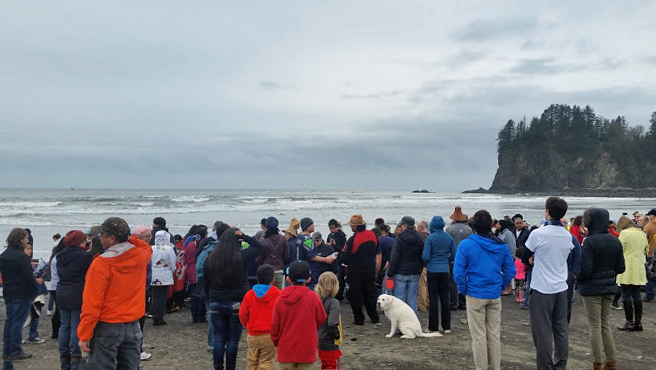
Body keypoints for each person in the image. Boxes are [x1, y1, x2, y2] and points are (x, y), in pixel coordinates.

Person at [77, 217, 152, 369]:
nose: (100, 239)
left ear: (111, 238)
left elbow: (92, 303)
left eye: (102, 236)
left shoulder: (101, 264)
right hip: (133, 324)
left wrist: (84, 334)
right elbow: (147, 248)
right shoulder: (140, 256)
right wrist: (128, 237)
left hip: (107, 326)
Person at [453, 210, 515, 370]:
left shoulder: (466, 245)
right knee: (494, 335)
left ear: (473, 227)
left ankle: (481, 367)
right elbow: (510, 270)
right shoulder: (501, 246)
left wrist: (463, 289)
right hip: (493, 294)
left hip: (475, 293)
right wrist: (501, 285)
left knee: (479, 336)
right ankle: (495, 367)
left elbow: (458, 272)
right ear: (491, 225)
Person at [522, 197, 575, 370]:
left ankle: (545, 367)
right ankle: (560, 365)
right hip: (561, 287)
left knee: (542, 331)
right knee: (561, 329)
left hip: (542, 288)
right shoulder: (568, 236)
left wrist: (531, 259)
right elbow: (574, 258)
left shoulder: (538, 233)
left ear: (547, 212)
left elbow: (525, 255)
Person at [203, 228, 263, 370]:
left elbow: (205, 283)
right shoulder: (241, 256)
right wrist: (245, 236)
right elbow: (260, 247)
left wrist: (210, 298)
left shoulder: (210, 258)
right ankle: (231, 367)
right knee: (233, 339)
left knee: (218, 338)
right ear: (237, 242)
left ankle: (218, 367)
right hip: (237, 302)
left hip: (216, 301)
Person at [577, 208, 625, 370]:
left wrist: (578, 278)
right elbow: (621, 267)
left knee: (595, 326)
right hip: (610, 288)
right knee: (605, 324)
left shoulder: (590, 241)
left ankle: (597, 363)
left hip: (591, 289)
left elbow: (586, 269)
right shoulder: (615, 240)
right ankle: (611, 362)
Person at [271, 261, 327, 370]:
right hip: (307, 349)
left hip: (285, 348)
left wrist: (276, 341)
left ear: (288, 279)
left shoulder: (280, 299)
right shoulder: (313, 298)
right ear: (308, 280)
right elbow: (321, 319)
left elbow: (274, 325)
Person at [0, 228, 40, 365]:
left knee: (10, 321)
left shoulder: (4, 255)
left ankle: (7, 350)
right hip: (22, 293)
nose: (28, 240)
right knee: (17, 322)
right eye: (26, 238)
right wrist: (35, 287)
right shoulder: (21, 257)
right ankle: (15, 350)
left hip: (9, 291)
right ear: (20, 239)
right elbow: (28, 277)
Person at [56, 230, 94, 370]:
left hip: (62, 291)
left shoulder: (60, 255)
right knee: (75, 325)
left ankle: (64, 356)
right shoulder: (84, 256)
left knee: (64, 325)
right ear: (80, 241)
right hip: (77, 292)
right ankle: (75, 356)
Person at [238, 264, 281, 370]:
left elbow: (243, 313)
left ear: (257, 278)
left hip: (253, 333)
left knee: (252, 361)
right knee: (267, 362)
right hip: (270, 334)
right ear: (273, 280)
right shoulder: (277, 294)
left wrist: (247, 324)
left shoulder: (250, 294)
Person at [342, 214, 379, 325]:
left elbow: (344, 257)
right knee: (370, 294)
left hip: (355, 271)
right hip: (370, 269)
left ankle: (359, 319)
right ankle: (374, 317)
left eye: (351, 226)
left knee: (355, 296)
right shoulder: (372, 235)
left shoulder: (353, 239)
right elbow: (376, 250)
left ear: (355, 226)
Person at [422, 216, 457, 334]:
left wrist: (432, 260)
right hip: (444, 270)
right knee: (445, 299)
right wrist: (445, 259)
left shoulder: (430, 238)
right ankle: (446, 326)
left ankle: (433, 327)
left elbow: (425, 256)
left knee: (433, 299)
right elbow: (454, 254)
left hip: (432, 270)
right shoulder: (448, 237)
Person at [615, 216, 649, 331]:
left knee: (626, 294)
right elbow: (646, 250)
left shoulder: (624, 233)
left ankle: (629, 322)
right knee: (637, 294)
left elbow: (619, 249)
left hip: (627, 267)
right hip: (639, 267)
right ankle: (638, 323)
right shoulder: (641, 233)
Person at [387, 216, 424, 315]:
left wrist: (390, 273)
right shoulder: (419, 238)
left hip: (400, 272)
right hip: (415, 271)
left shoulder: (399, 238)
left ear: (405, 225)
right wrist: (420, 269)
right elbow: (421, 255)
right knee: (412, 299)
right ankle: (412, 322)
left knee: (400, 299)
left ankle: (400, 325)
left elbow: (394, 257)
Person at [445, 206, 472, 310]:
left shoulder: (449, 229)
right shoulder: (469, 229)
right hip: (466, 258)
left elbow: (447, 244)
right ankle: (463, 302)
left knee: (452, 280)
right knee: (464, 279)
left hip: (453, 257)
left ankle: (453, 302)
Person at [295, 218, 335, 289]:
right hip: (309, 269)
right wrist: (326, 259)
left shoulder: (299, 237)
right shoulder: (308, 239)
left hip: (299, 267)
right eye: (312, 224)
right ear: (307, 226)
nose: (314, 226)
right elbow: (312, 256)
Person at [316, 272, 343, 370]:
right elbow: (332, 322)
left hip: (320, 340)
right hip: (330, 342)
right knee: (332, 366)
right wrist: (337, 335)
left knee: (325, 365)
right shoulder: (333, 302)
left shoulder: (318, 300)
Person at [150, 230, 177, 326]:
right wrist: (171, 271)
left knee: (155, 296)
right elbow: (173, 262)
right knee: (162, 296)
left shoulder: (151, 248)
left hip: (154, 274)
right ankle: (160, 317)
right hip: (165, 274)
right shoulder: (168, 249)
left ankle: (154, 316)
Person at [258, 217, 290, 290]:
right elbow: (287, 256)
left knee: (264, 295)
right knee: (277, 295)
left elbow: (259, 259)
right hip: (278, 271)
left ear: (266, 226)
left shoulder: (262, 240)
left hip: (265, 272)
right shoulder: (282, 239)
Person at [326, 219, 348, 300]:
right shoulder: (330, 235)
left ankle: (339, 294)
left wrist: (332, 245)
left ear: (336, 227)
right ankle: (333, 292)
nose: (331, 230)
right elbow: (328, 242)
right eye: (330, 228)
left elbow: (342, 248)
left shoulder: (340, 235)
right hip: (332, 258)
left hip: (339, 258)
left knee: (339, 277)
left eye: (332, 228)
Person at [643, 209, 656, 302]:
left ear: (653, 216)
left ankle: (650, 296)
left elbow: (643, 241)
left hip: (651, 253)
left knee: (650, 275)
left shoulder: (649, 226)